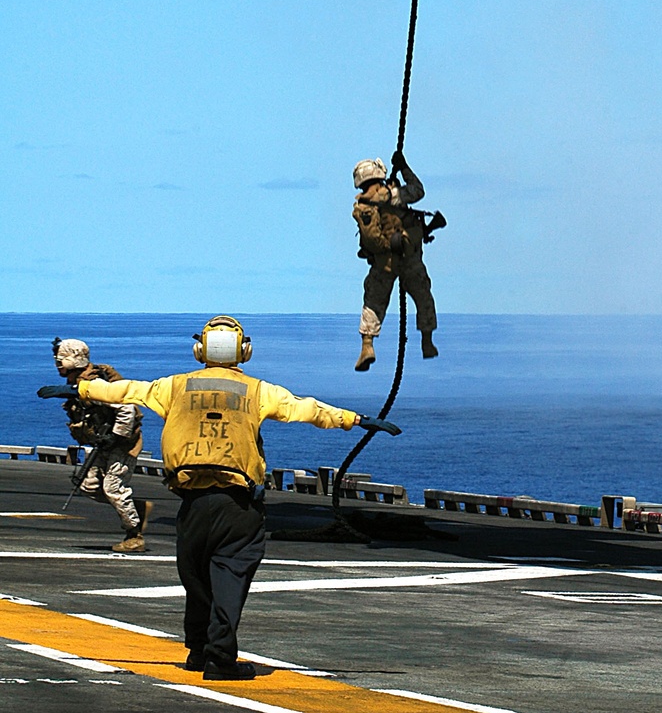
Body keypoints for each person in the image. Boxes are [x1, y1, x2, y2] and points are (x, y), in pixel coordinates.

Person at [39, 315, 398, 681]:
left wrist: (78, 391)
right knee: (230, 575)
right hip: (237, 504)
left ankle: (197, 650)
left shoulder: (175, 387)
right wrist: (357, 419)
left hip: (192, 502)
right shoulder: (258, 391)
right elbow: (309, 410)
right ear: (244, 351)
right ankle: (220, 660)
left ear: (200, 351)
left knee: (195, 578)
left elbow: (126, 390)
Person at [50, 337, 150, 553]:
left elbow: (127, 409)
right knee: (88, 486)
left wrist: (114, 436)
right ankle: (134, 508)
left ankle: (134, 535)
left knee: (113, 488)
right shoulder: (80, 381)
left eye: (61, 360)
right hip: (104, 444)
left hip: (123, 444)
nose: (58, 364)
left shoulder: (95, 384)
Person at [353, 151, 439, 370]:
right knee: (423, 297)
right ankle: (427, 342)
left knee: (373, 301)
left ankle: (367, 346)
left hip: (384, 263)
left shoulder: (363, 206)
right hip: (409, 258)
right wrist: (404, 167)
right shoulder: (393, 194)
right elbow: (418, 191)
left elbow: (370, 239)